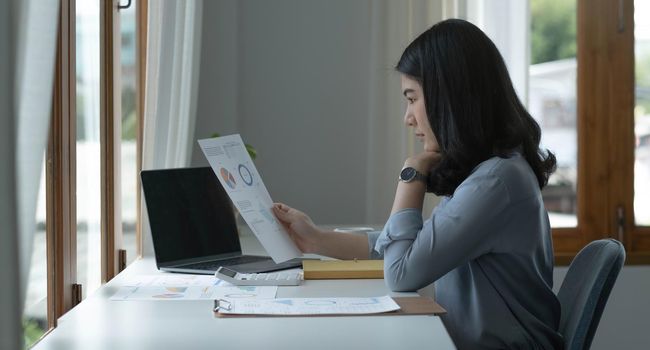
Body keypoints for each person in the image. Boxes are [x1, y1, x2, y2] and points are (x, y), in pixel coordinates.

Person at [272, 19, 563, 349]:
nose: (407, 117)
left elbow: (401, 274)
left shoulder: (495, 182)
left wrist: (412, 172)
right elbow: (410, 248)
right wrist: (316, 240)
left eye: (412, 98)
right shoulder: (492, 173)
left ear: (450, 97)